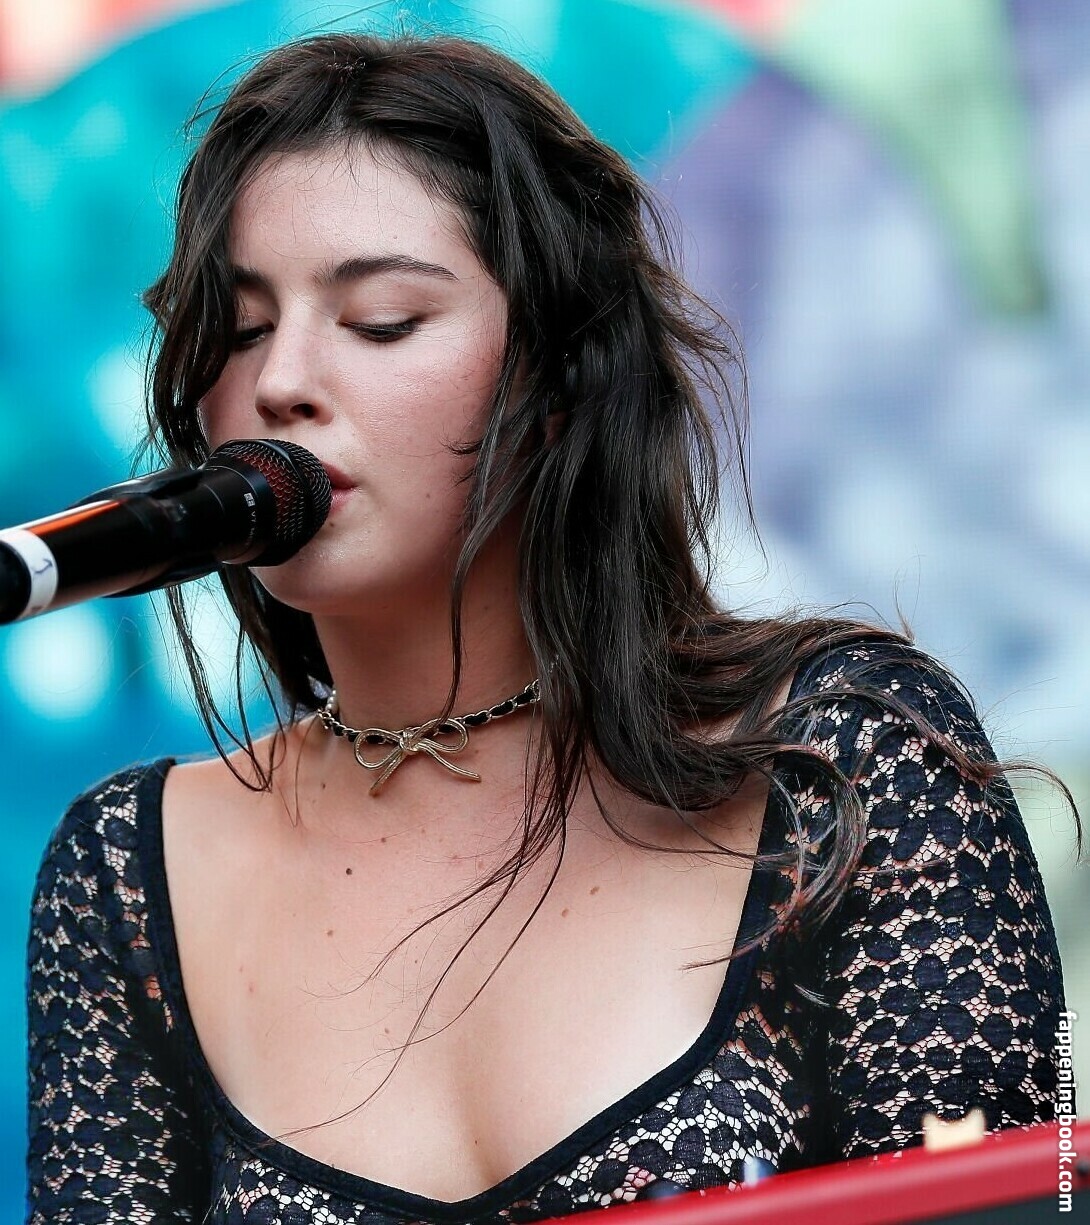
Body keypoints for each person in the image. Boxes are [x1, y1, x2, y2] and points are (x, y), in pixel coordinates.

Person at [26, 31, 1076, 1223]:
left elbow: (1005, 1201)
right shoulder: (128, 871)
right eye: (242, 325)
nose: (282, 382)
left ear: (563, 375)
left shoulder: (843, 759)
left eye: (381, 320)